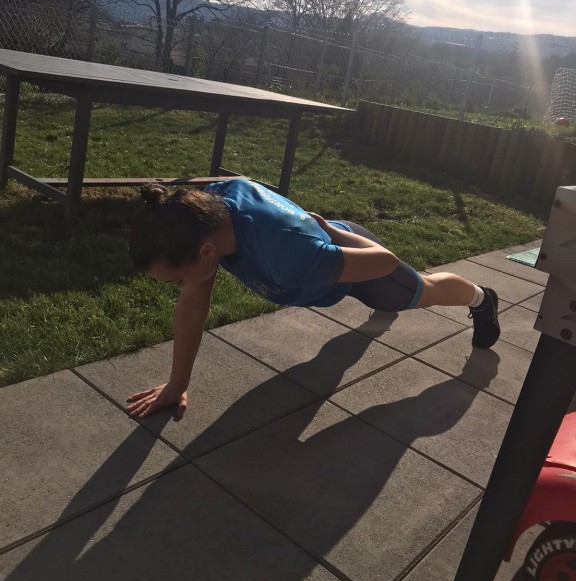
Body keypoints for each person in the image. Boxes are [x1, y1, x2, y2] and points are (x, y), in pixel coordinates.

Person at [127, 178, 500, 419]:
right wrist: (177, 384)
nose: (180, 287)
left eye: (177, 279)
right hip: (319, 258)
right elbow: (193, 306)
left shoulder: (285, 258)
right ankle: (383, 309)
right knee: (345, 349)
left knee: (419, 291)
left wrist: (328, 233)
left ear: (206, 252)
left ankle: (482, 299)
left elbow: (385, 261)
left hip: (353, 261)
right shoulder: (206, 212)